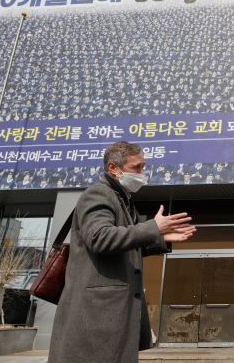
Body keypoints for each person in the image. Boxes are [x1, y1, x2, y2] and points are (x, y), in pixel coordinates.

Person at [49, 141, 196, 363]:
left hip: (111, 312)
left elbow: (124, 247)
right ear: (113, 168)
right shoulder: (98, 194)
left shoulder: (123, 199)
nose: (142, 173)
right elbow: (99, 239)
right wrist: (152, 228)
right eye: (136, 167)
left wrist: (158, 238)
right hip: (97, 313)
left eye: (143, 167)